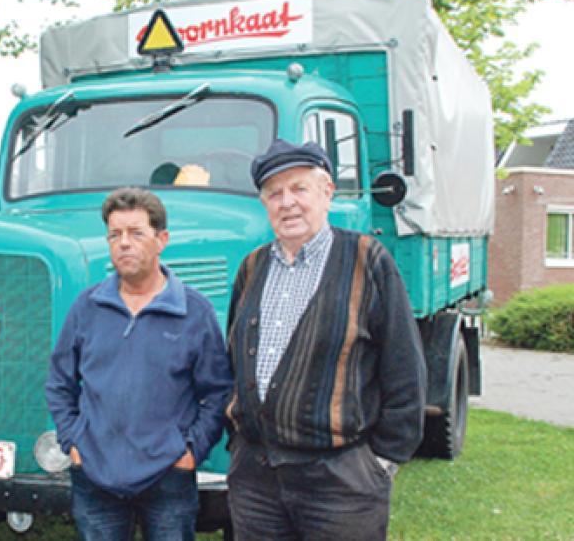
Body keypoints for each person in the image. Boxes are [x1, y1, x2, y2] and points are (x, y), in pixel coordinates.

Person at [225, 139, 426, 540]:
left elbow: (404, 365)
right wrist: (238, 446)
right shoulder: (252, 267)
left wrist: (382, 461)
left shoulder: (367, 260)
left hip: (340, 483)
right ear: (264, 204)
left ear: (327, 193)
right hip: (257, 479)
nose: (287, 203)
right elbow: (233, 361)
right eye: (275, 193)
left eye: (299, 189)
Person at [45, 187, 232, 540]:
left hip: (168, 475)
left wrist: (192, 450)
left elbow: (218, 391)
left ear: (162, 239)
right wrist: (73, 440)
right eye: (115, 235)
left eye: (135, 233)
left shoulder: (194, 312)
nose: (124, 244)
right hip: (95, 473)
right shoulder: (87, 307)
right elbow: (59, 382)